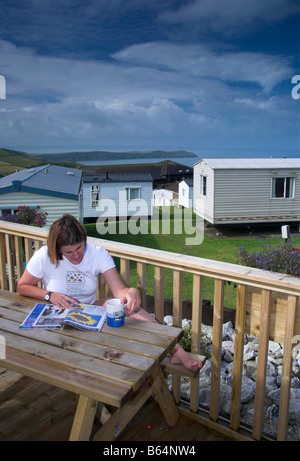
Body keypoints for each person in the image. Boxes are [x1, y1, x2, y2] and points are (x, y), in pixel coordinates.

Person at [17, 214, 202, 371]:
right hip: (58, 314)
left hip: (87, 309)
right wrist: (50, 295)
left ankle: (176, 351)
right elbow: (23, 286)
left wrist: (130, 292)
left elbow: (118, 290)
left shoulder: (97, 254)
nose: (76, 255)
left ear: (84, 239)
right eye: (68, 252)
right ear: (57, 249)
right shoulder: (43, 256)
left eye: (79, 248)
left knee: (132, 311)